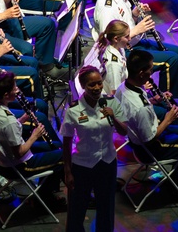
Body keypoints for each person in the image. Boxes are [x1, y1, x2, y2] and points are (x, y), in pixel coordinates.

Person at [116, 50, 178, 200]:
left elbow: (136, 110)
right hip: (149, 149)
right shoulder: (140, 108)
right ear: (140, 73)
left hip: (141, 134)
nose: (151, 73)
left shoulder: (124, 88)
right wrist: (168, 119)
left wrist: (155, 100)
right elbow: (149, 139)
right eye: (150, 69)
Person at [94, 0, 178, 99]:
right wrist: (137, 30)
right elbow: (111, 40)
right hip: (125, 52)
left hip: (134, 42)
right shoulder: (106, 8)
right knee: (171, 60)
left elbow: (125, 21)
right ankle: (166, 103)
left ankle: (174, 96)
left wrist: (135, 14)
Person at [0, 71, 66, 209]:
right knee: (64, 155)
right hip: (19, 165)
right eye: (14, 88)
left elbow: (5, 132)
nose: (17, 90)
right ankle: (45, 200)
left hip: (0, 159)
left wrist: (21, 120)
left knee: (56, 145)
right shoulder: (8, 121)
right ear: (5, 95)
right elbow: (19, 152)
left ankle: (50, 189)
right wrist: (35, 135)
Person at [61, 66, 129, 232]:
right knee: (77, 209)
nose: (97, 88)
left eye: (99, 83)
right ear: (83, 86)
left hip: (106, 163)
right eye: (92, 85)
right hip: (82, 165)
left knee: (106, 207)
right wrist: (68, 171)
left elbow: (124, 131)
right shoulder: (74, 109)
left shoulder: (111, 103)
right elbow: (67, 142)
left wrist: (113, 116)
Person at [95, 19, 131, 95]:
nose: (130, 39)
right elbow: (115, 94)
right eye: (127, 36)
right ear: (116, 39)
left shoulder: (118, 47)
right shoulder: (114, 65)